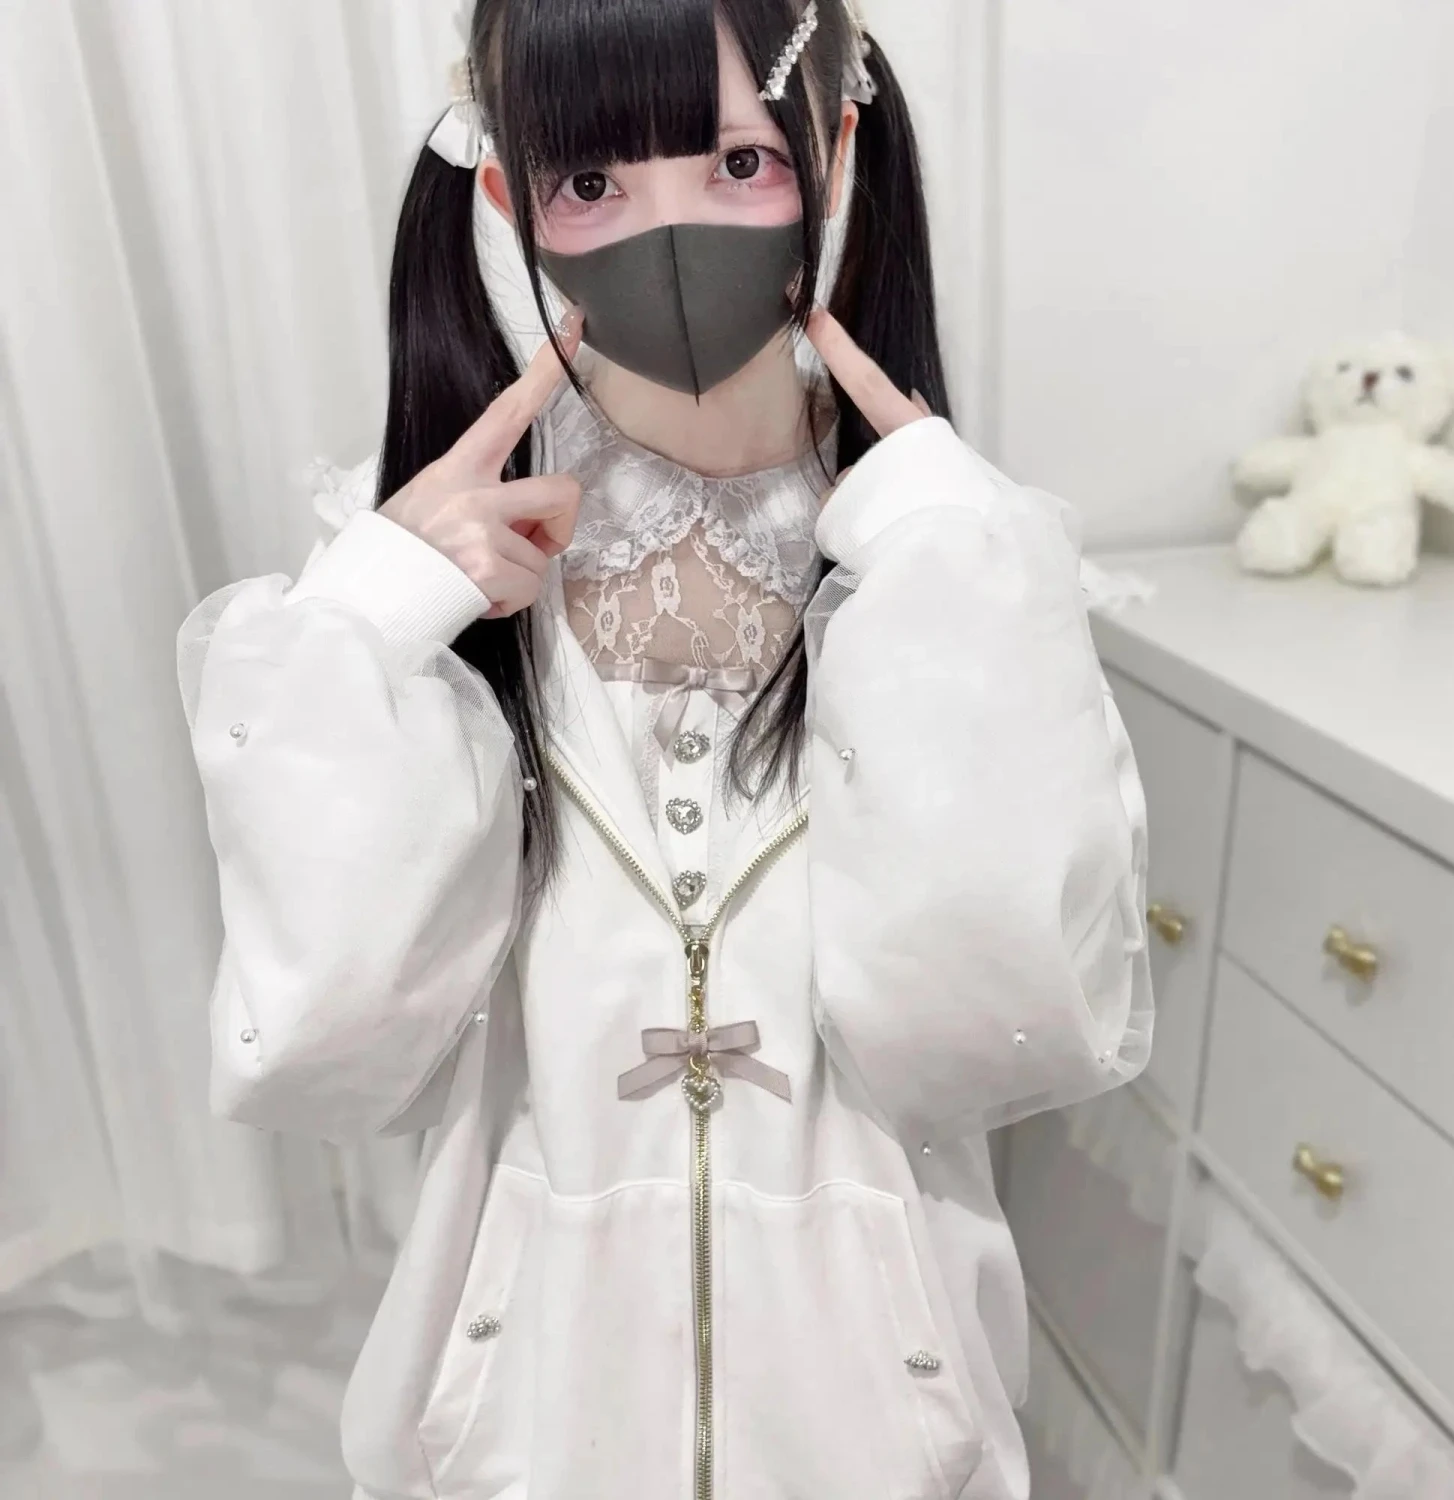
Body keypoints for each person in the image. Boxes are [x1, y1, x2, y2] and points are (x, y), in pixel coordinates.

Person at [175, 0, 1153, 1495]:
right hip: (524, 1400)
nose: (670, 234)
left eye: (741, 161)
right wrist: (376, 615)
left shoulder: (960, 562)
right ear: (505, 195)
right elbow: (327, 1046)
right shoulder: (436, 558)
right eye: (591, 183)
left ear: (838, 150)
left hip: (877, 1401)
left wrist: (949, 572)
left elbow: (995, 1026)